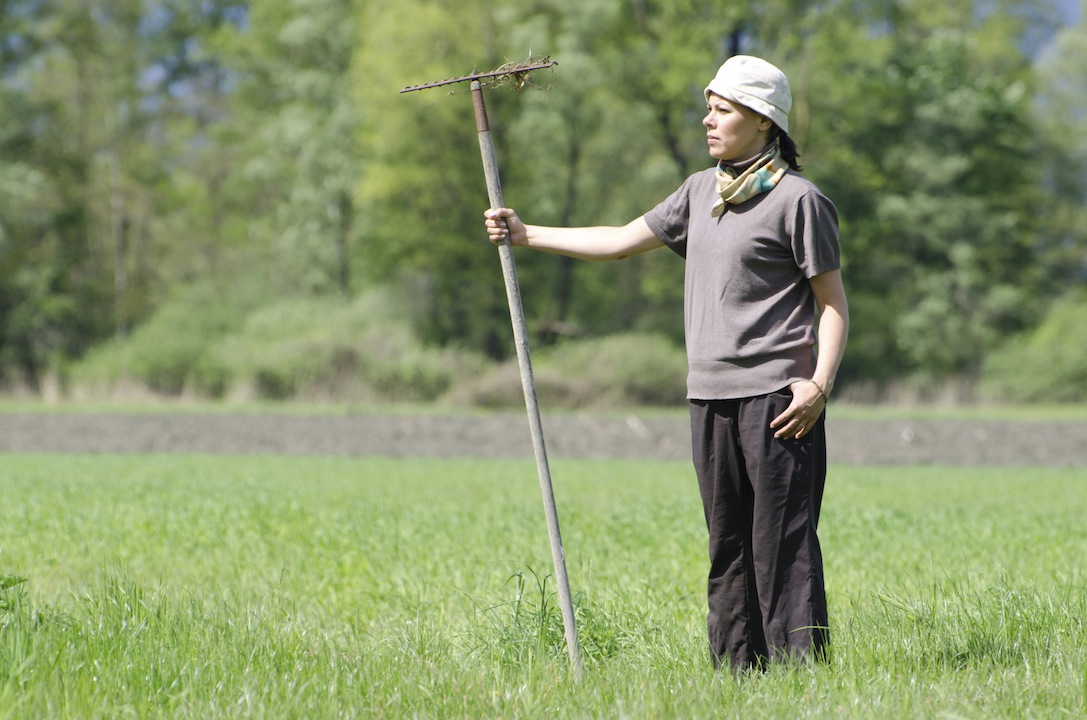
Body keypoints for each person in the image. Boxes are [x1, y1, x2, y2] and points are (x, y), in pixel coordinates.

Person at [484, 55, 849, 672]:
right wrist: (526, 234)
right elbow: (622, 240)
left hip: (779, 402)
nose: (707, 120)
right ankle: (738, 677)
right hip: (708, 397)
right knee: (727, 547)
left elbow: (833, 305)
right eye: (708, 106)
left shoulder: (800, 201)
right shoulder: (699, 192)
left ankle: (802, 682)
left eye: (722, 109)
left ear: (762, 122)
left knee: (781, 547)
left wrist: (818, 385)